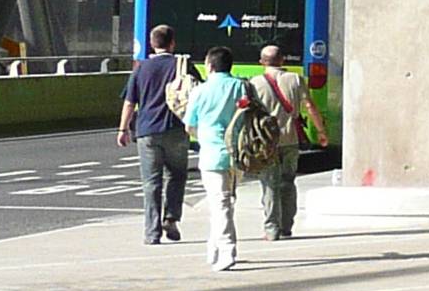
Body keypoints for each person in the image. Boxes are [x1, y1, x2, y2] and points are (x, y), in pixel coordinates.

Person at [118, 23, 190, 246]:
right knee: (177, 175)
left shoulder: (141, 68)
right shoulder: (182, 65)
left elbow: (130, 102)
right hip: (177, 128)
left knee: (151, 183)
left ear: (151, 43)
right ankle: (171, 217)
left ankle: (152, 233)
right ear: (172, 43)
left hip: (147, 131)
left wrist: (123, 129)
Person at [181, 46, 250, 271]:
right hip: (239, 154)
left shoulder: (200, 91)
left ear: (209, 66)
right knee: (225, 202)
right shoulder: (241, 86)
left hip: (212, 154)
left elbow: (189, 125)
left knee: (220, 204)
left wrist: (202, 135)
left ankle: (226, 249)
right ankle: (213, 245)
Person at [251, 42, 324, 242]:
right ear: (282, 60)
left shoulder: (254, 83)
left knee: (269, 184)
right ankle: (287, 226)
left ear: (261, 62)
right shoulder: (295, 79)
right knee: (288, 182)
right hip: (291, 139)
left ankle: (271, 229)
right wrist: (320, 131)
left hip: (267, 142)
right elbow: (309, 105)